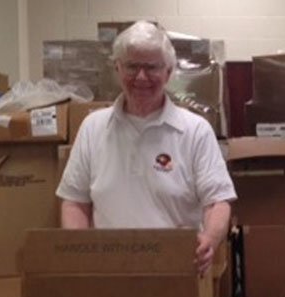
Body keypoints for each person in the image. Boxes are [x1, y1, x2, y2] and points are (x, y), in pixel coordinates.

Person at [56, 20, 236, 275]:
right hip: (109, 277)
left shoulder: (195, 130)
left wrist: (210, 238)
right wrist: (83, 253)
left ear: (169, 72)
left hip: (178, 273)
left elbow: (218, 201)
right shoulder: (92, 128)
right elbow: (75, 202)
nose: (141, 77)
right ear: (118, 68)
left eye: (152, 67)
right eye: (132, 66)